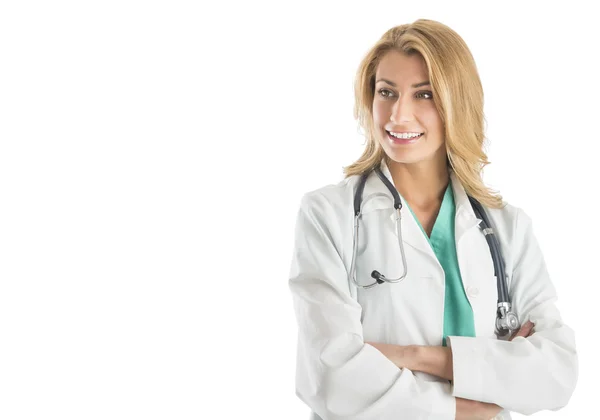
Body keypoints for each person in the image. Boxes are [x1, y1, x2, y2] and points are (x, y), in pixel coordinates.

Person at [288, 19, 578, 420]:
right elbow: (330, 377)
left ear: (456, 103)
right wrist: (473, 402)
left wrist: (416, 357)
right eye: (386, 92)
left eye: (423, 95)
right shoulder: (329, 215)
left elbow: (555, 374)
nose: (398, 114)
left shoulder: (507, 228)